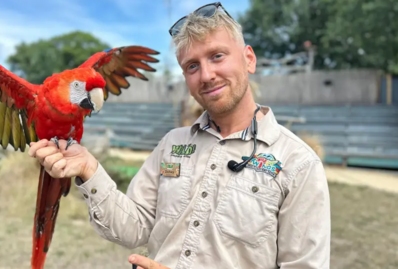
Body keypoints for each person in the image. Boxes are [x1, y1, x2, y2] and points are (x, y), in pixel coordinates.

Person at [29, 2, 331, 268]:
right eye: (192, 66)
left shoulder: (298, 164)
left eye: (217, 56)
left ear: (248, 59)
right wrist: (89, 170)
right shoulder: (171, 144)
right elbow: (134, 228)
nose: (207, 75)